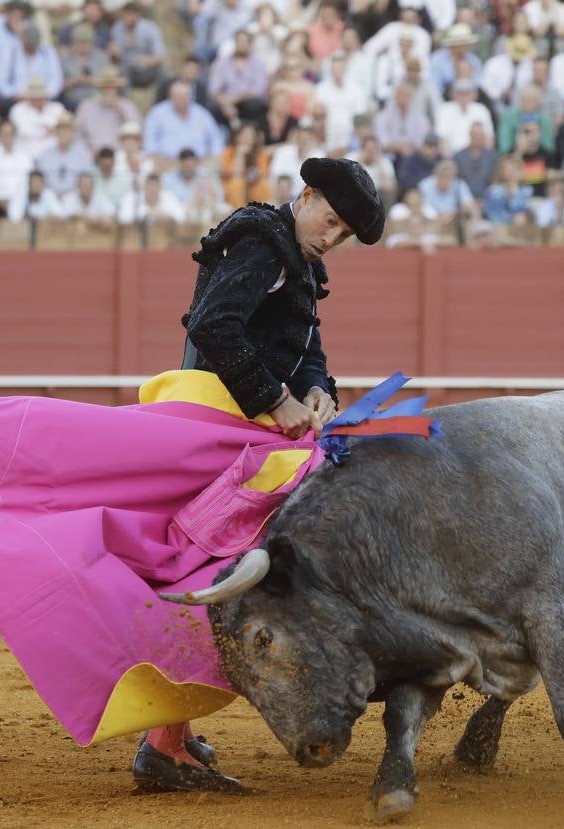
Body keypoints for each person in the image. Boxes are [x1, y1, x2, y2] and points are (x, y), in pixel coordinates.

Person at [143, 157, 384, 793]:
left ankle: (174, 734)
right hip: (219, 435)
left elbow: (308, 352)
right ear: (305, 196)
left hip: (234, 435)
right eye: (329, 220)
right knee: (218, 571)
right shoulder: (262, 243)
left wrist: (319, 390)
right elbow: (213, 325)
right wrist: (278, 400)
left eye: (343, 234)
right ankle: (164, 748)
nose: (331, 237)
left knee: (218, 571)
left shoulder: (299, 261)